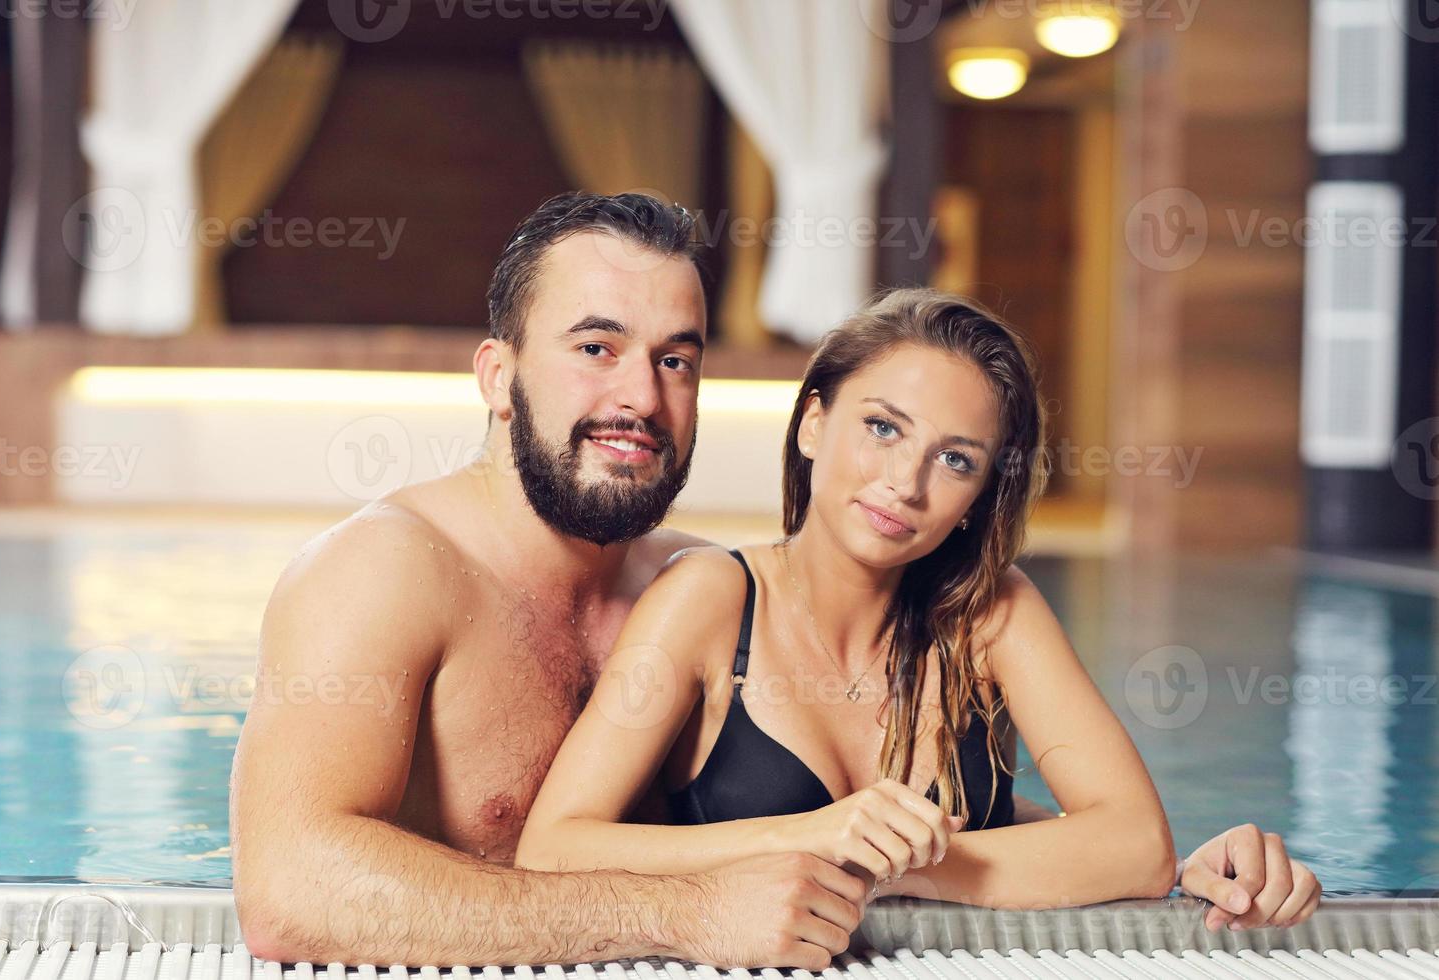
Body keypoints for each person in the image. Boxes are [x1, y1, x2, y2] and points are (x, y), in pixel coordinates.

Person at [230, 193, 1317, 972]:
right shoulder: (383, 571)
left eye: (676, 357)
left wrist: (1172, 867)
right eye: (596, 347)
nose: (640, 396)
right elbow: (288, 896)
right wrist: (688, 913)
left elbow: (896, 810)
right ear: (498, 375)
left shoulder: (687, 577)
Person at [514, 287, 1322, 929]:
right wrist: (810, 836)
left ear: (977, 496)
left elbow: (1139, 848)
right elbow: (552, 851)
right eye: (882, 428)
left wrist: (899, 869)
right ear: (813, 424)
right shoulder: (709, 600)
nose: (907, 482)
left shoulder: (992, 615)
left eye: (956, 459)